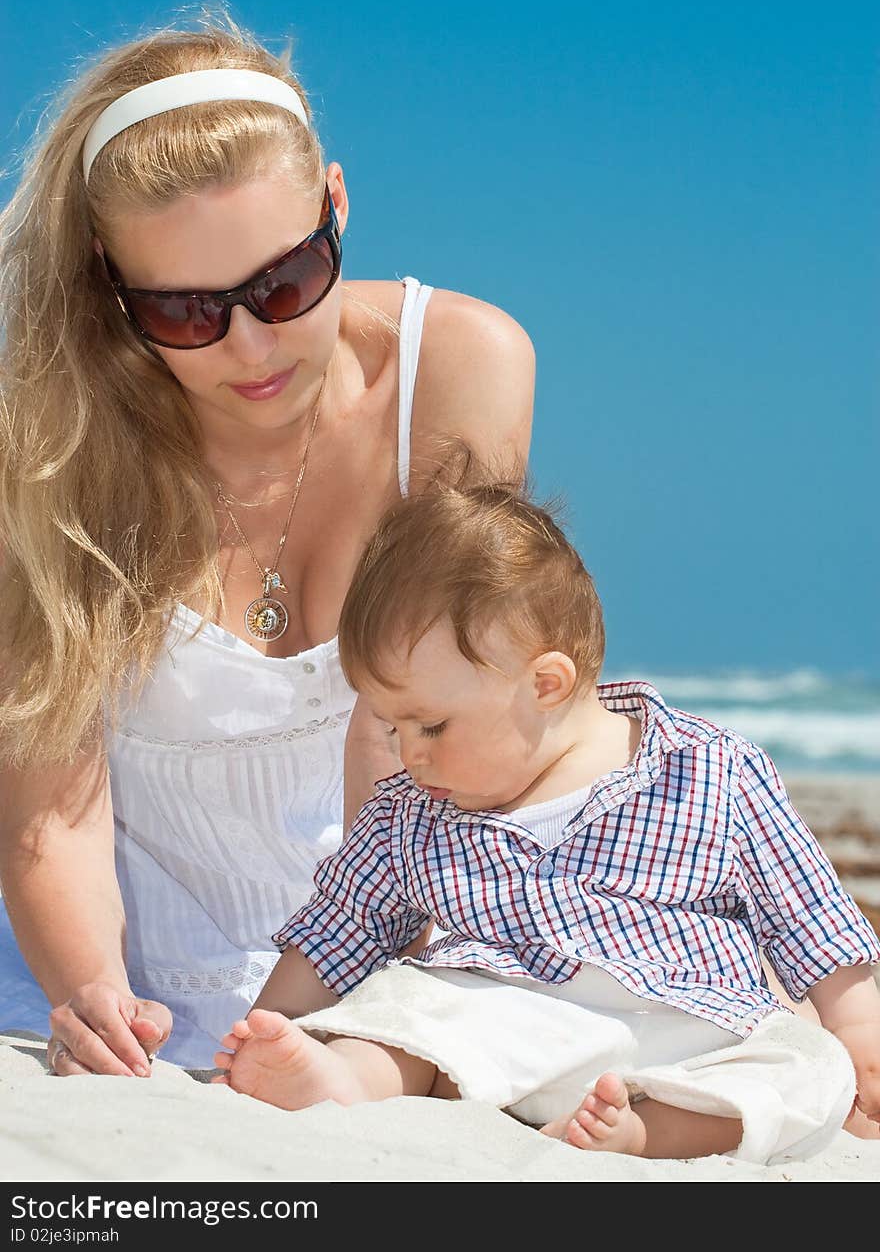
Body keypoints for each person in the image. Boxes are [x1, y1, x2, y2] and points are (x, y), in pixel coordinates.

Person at [0, 17, 535, 1074]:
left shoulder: (457, 372)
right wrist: (96, 996)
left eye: (284, 285)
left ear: (336, 207)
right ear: (115, 288)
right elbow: (47, 812)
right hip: (98, 962)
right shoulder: (46, 448)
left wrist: (369, 1014)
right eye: (188, 312)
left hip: (384, 952)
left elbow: (427, 745)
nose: (250, 345)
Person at [214, 480, 880, 1163]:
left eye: (432, 725)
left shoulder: (707, 770)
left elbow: (811, 916)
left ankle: (645, 1135)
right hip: (503, 1024)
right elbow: (339, 928)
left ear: (545, 684)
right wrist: (279, 1025)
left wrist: (860, 1030)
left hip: (689, 1027)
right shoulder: (410, 816)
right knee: (404, 1008)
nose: (409, 753)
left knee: (806, 1071)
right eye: (392, 726)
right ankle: (343, 1081)